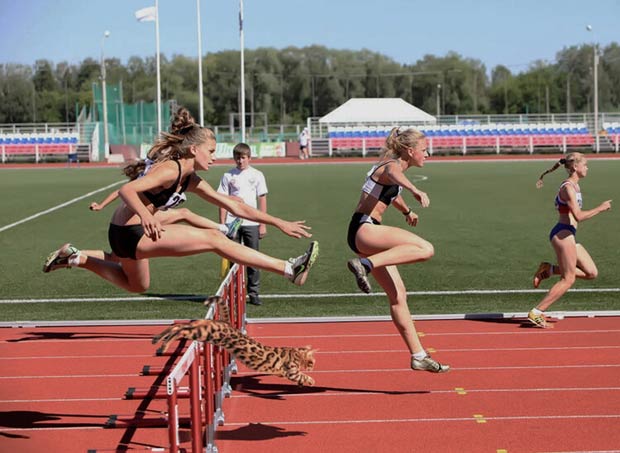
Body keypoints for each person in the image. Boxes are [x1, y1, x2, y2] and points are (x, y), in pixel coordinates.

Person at [43, 107, 319, 294]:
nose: (214, 157)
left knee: (138, 285)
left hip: (127, 233)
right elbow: (128, 191)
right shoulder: (170, 169)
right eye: (210, 151)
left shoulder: (190, 179)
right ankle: (288, 268)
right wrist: (147, 215)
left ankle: (77, 258)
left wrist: (277, 221)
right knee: (214, 239)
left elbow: (234, 204)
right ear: (193, 149)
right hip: (130, 230)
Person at [345, 126, 449, 373]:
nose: (428, 155)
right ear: (410, 151)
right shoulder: (390, 165)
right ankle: (365, 265)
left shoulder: (393, 168)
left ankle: (418, 355)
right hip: (365, 229)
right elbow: (392, 173)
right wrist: (415, 190)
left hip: (364, 231)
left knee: (399, 296)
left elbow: (390, 195)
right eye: (425, 150)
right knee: (425, 248)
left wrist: (406, 211)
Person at [528, 153, 612, 328]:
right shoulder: (568, 188)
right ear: (575, 167)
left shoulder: (575, 186)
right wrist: (601, 208)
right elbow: (579, 216)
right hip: (563, 234)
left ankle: (549, 269)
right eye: (585, 165)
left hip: (569, 235)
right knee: (569, 279)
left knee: (591, 273)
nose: (587, 168)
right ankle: (537, 312)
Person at [217, 143, 268, 306]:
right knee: (234, 259)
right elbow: (222, 201)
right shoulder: (227, 175)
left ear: (249, 158)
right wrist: (222, 224)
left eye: (243, 158)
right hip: (233, 223)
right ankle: (234, 293)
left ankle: (253, 292)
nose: (240, 161)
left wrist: (263, 223)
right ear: (234, 158)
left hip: (251, 222)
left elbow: (262, 198)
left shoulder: (257, 175)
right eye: (237, 158)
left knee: (253, 259)